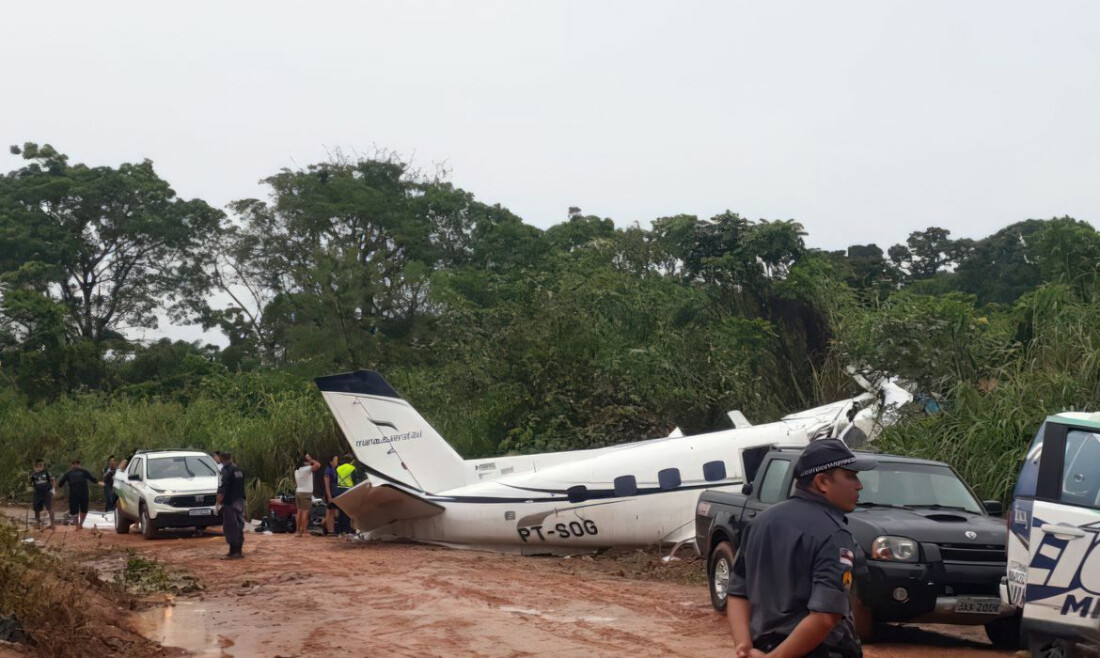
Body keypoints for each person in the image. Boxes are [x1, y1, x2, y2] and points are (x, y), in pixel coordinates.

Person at [728, 439, 876, 658]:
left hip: (763, 646)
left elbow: (737, 592)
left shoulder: (760, 523)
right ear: (822, 482)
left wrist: (744, 647)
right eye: (850, 476)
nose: (859, 485)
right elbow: (826, 616)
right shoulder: (834, 534)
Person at [216, 451, 246, 559]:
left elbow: (223, 486)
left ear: (221, 458)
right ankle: (239, 551)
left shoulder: (226, 470)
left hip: (229, 502)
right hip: (240, 500)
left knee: (230, 527)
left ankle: (233, 552)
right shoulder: (238, 469)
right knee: (239, 525)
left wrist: (218, 501)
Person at [57, 459, 102, 531]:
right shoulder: (69, 473)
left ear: (79, 464)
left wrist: (98, 482)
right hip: (75, 494)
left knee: (83, 509)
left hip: (83, 494)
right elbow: (60, 483)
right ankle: (77, 525)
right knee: (75, 511)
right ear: (72, 465)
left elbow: (93, 479)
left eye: (76, 464)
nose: (75, 466)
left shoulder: (83, 472)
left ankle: (80, 524)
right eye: (74, 464)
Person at [294, 453, 321, 537]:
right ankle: (304, 531)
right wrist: (311, 460)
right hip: (306, 493)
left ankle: (298, 530)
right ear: (305, 462)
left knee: (299, 512)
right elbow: (318, 465)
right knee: (305, 512)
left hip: (298, 492)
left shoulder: (297, 470)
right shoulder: (306, 469)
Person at [29, 460, 55, 530]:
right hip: (38, 493)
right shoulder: (33, 475)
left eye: (40, 466)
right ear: (35, 467)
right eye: (37, 467)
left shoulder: (46, 473)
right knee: (36, 508)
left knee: (49, 508)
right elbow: (31, 483)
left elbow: (53, 480)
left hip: (47, 492)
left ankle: (53, 525)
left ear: (42, 467)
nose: (39, 468)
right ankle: (38, 523)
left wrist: (53, 489)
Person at [323, 455, 339, 535]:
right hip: (330, 493)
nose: (337, 462)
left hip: (335, 492)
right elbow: (326, 484)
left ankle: (331, 529)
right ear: (331, 462)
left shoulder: (334, 470)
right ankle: (329, 529)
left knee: (333, 511)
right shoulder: (328, 470)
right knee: (330, 511)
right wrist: (329, 496)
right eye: (335, 460)